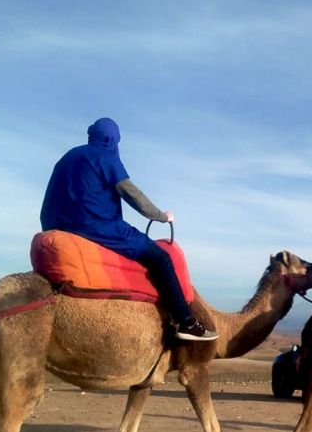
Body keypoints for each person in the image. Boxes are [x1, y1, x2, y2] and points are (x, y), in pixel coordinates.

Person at [40, 117, 217, 341]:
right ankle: (186, 322)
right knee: (161, 258)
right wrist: (161, 216)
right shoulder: (106, 159)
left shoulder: (67, 157)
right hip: (98, 227)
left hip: (55, 225)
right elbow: (133, 195)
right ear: (114, 140)